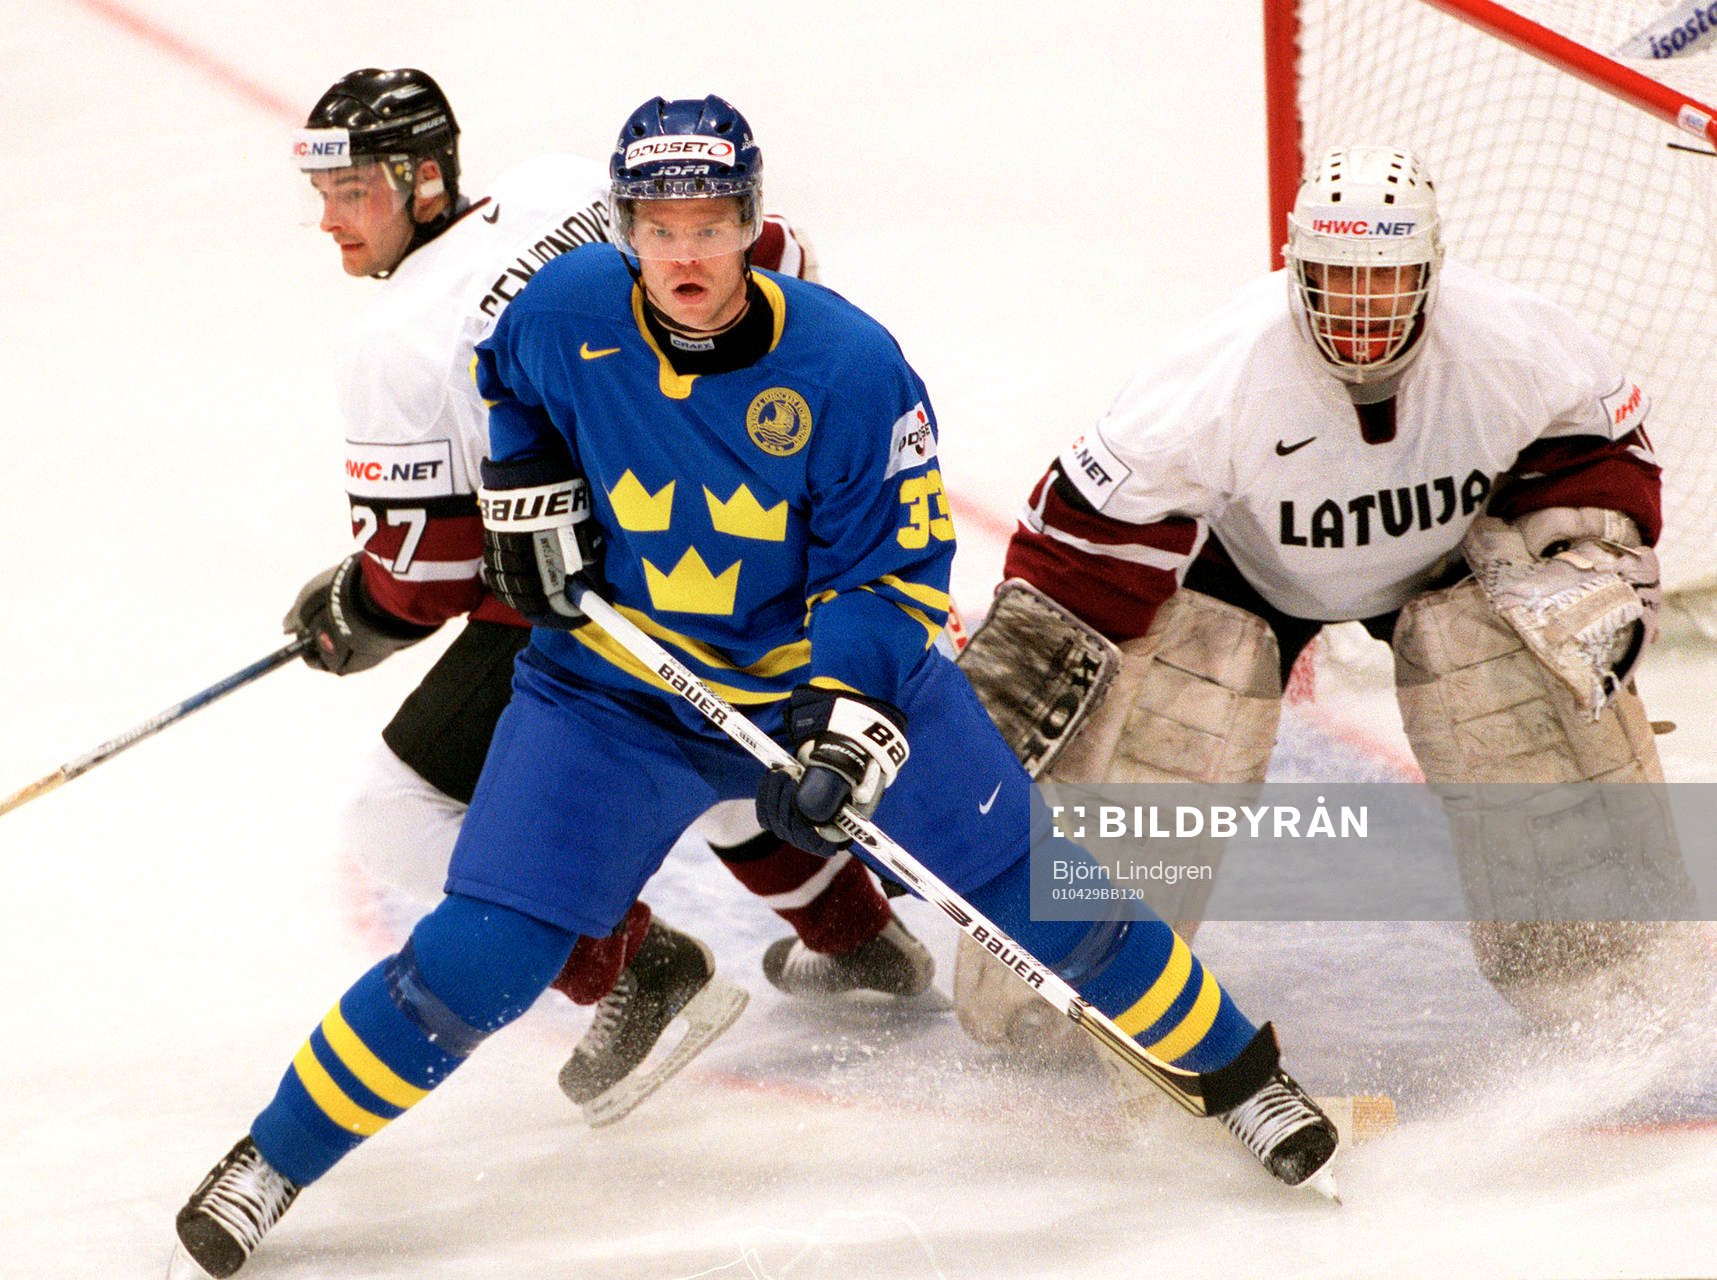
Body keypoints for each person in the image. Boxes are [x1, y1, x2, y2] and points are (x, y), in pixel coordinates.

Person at [167, 93, 1338, 1280]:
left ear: (750, 223)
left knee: (1045, 895)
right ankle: (270, 1160)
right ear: (624, 228)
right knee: (481, 954)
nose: (685, 257)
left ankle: (1246, 1079)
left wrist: (846, 725)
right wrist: (530, 489)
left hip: (815, 685)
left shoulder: (849, 364)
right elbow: (507, 383)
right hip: (613, 695)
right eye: (659, 229)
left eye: (711, 227)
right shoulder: (561, 312)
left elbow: (890, 572)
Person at [279, 68, 937, 1127]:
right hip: (754, 540)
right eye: (324, 193)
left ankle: (637, 965)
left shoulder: (393, 340)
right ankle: (856, 937)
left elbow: (433, 573)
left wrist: (359, 610)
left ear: (424, 177)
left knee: (395, 814)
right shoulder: (558, 186)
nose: (329, 220)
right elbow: (783, 261)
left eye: (352, 191)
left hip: (606, 595)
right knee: (714, 735)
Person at [953, 143, 1697, 1057]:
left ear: (1431, 271)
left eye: (1385, 278)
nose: (1360, 307)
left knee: (1511, 681)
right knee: (1160, 739)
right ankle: (1072, 980)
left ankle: (1591, 958)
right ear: (1295, 269)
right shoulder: (1217, 374)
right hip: (1241, 579)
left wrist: (1590, 546)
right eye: (1337, 277)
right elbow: (1081, 537)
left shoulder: (1512, 340)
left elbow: (1598, 447)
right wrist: (1016, 682)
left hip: (1446, 566)